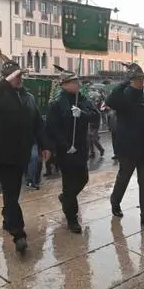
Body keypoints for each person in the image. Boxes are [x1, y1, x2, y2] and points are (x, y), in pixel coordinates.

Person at [0, 56, 50, 253]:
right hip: (3, 153)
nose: (18, 80)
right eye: (14, 77)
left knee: (13, 192)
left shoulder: (28, 97)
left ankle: (7, 218)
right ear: (5, 78)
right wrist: (5, 82)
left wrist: (44, 144)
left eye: (20, 76)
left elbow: (37, 123)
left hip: (22, 152)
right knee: (11, 193)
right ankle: (18, 233)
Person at [107, 63, 144, 230]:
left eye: (142, 79)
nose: (141, 82)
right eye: (138, 79)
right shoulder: (123, 96)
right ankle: (115, 200)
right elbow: (110, 100)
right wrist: (125, 81)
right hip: (128, 146)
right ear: (131, 81)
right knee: (124, 177)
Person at [45, 67, 100, 233]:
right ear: (65, 84)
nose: (78, 84)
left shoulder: (81, 99)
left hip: (81, 147)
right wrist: (64, 145)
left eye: (78, 81)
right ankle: (72, 218)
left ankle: (66, 199)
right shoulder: (56, 103)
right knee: (69, 184)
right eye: (75, 81)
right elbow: (52, 128)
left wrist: (82, 114)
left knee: (83, 178)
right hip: (66, 149)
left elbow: (95, 115)